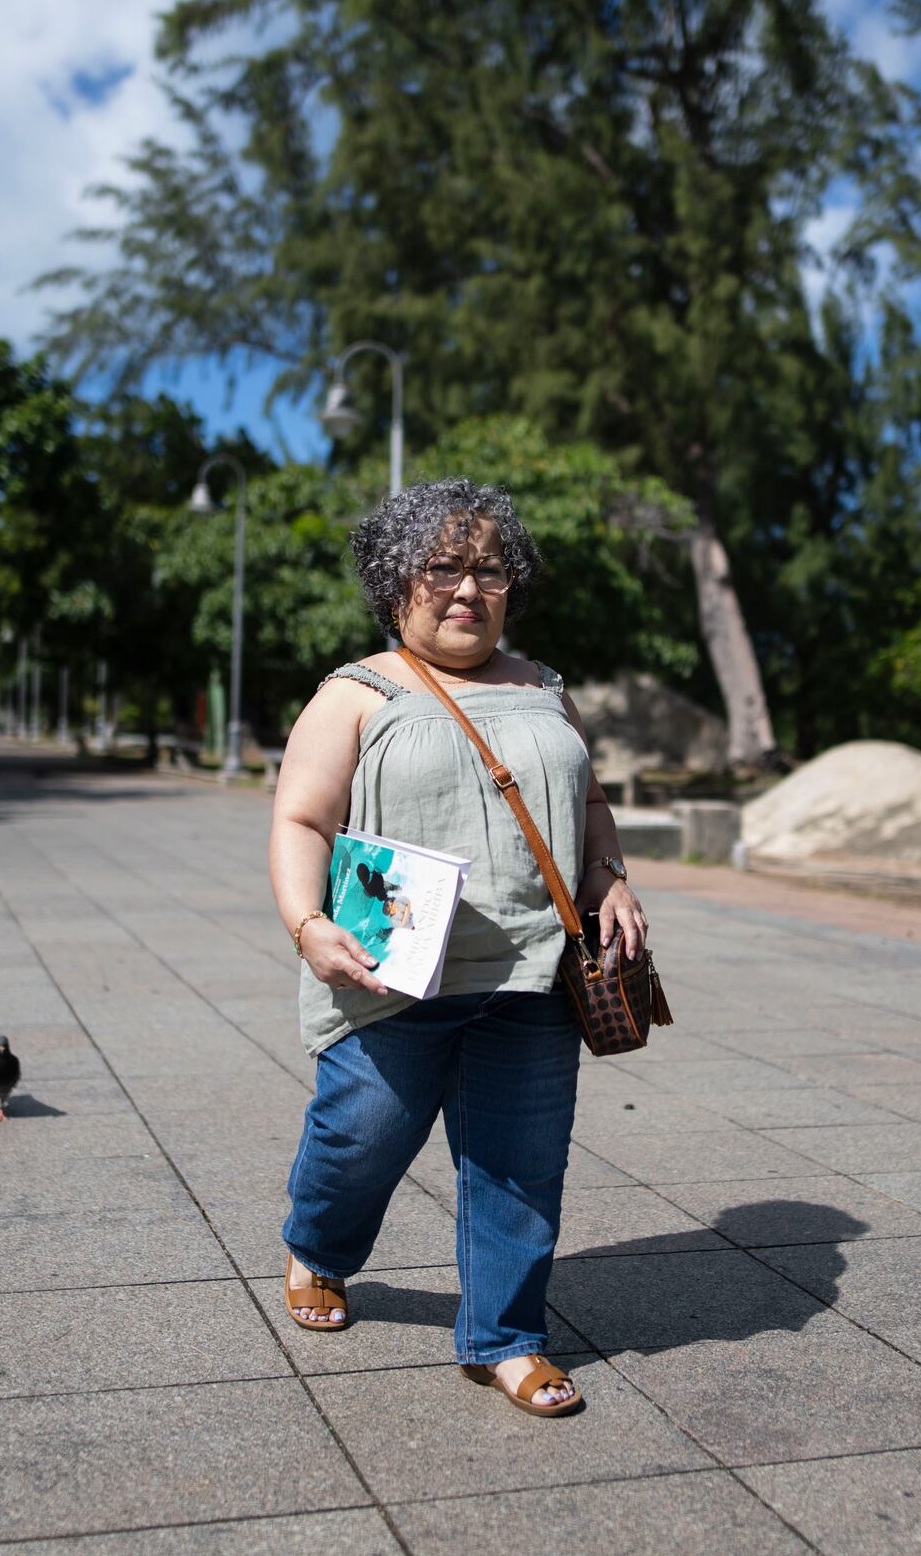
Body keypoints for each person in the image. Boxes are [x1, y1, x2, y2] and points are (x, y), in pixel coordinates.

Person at [270, 478, 647, 1417]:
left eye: (489, 568)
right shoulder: (358, 690)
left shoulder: (542, 687)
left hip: (531, 969)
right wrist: (308, 924)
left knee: (522, 1160)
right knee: (361, 1138)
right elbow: (302, 818)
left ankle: (507, 1338)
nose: (468, 588)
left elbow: (589, 799)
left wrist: (610, 871)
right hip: (391, 964)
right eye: (444, 566)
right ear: (398, 580)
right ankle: (318, 1245)